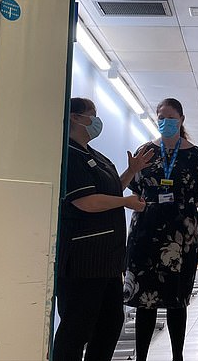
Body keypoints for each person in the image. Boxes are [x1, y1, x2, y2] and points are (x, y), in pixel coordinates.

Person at [54, 97, 151, 361]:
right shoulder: (69, 154)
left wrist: (131, 172)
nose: (97, 121)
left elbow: (111, 190)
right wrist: (126, 203)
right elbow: (85, 201)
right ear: (75, 117)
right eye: (92, 115)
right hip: (83, 257)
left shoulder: (95, 156)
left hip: (107, 260)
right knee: (77, 327)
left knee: (110, 322)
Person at [123, 98, 198, 361]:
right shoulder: (145, 152)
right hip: (145, 234)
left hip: (181, 237)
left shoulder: (195, 155)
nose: (165, 122)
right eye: (160, 116)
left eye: (170, 117)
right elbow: (134, 188)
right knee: (144, 301)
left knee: (177, 299)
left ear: (181, 120)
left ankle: (178, 356)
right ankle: (141, 357)